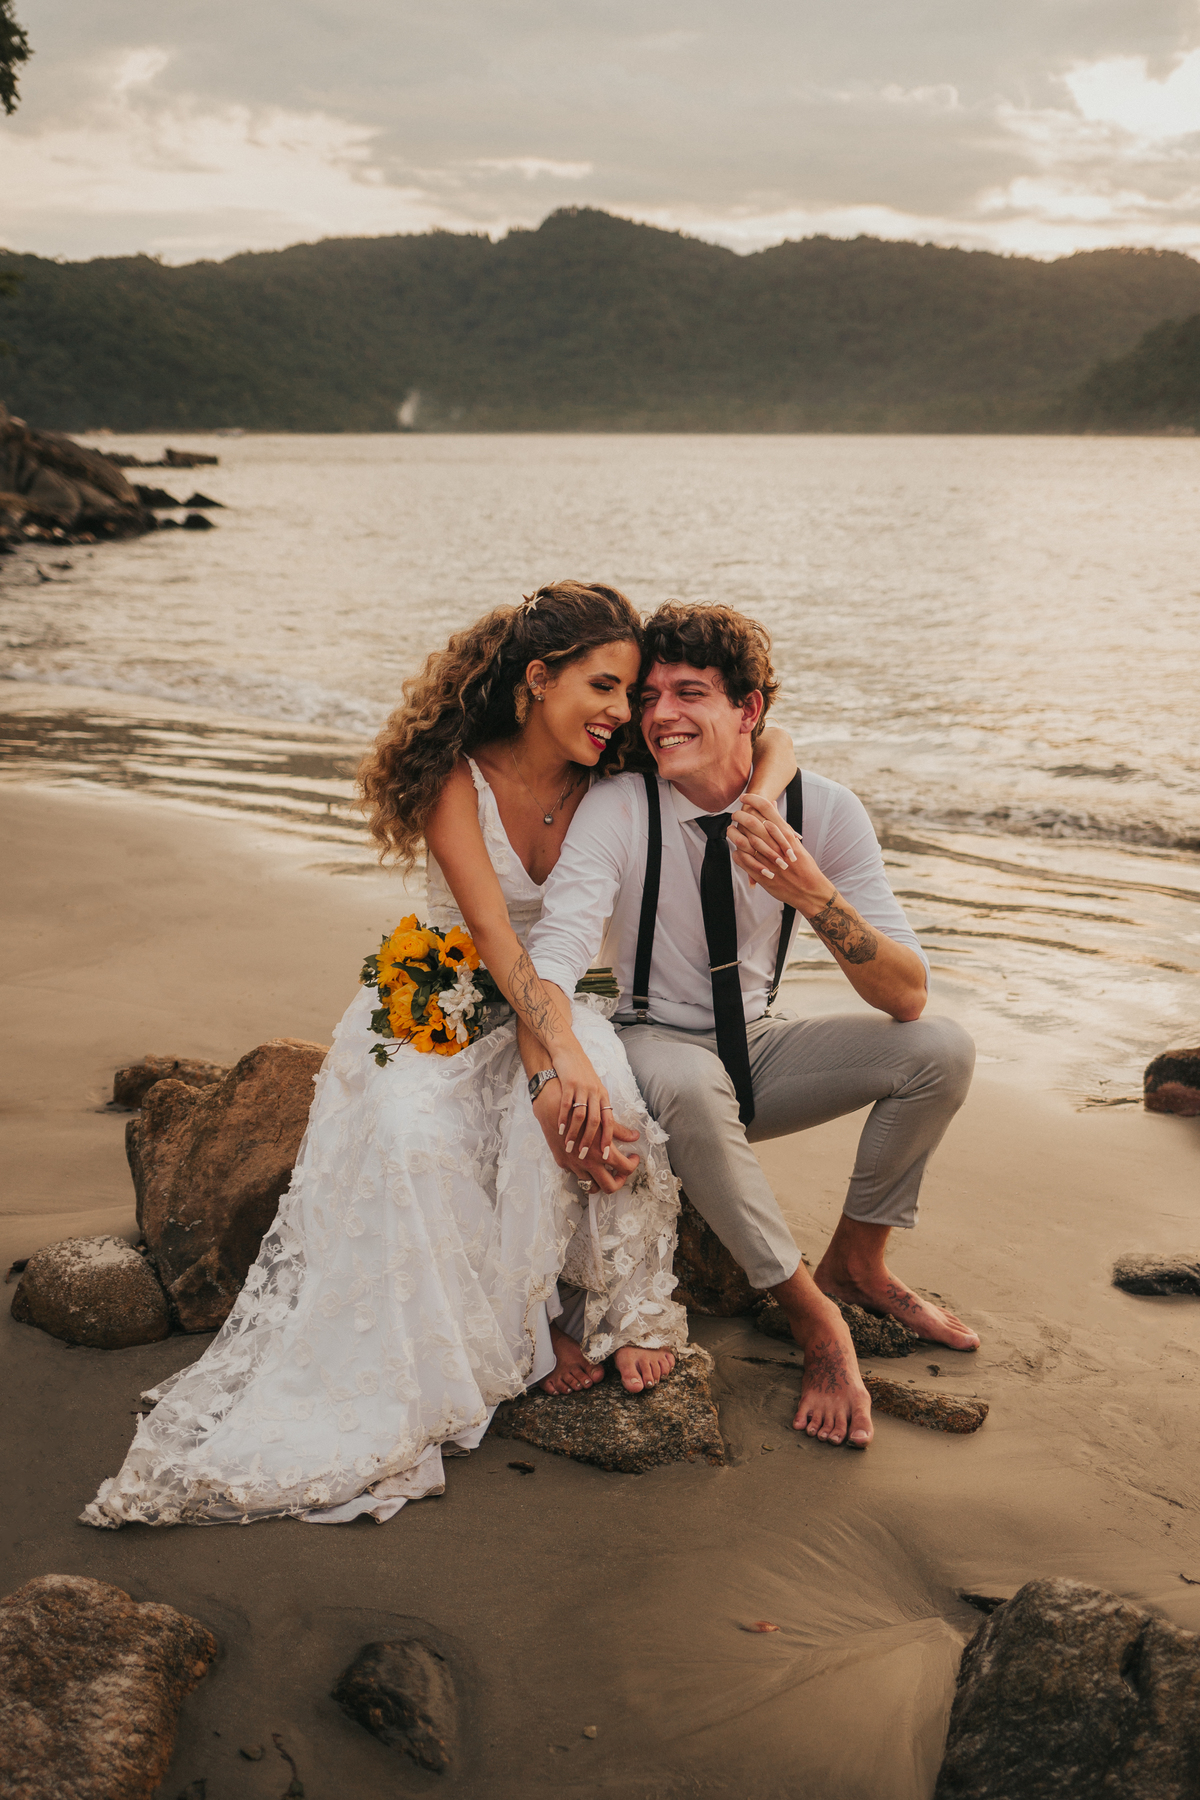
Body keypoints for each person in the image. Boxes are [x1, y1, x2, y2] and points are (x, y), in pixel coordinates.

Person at [82, 583, 799, 1529]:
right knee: (414, 1132)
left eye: (630, 693)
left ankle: (618, 1312)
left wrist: (766, 793)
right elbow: (496, 938)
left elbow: (770, 739)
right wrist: (559, 1062)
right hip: (444, 997)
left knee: (609, 1111)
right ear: (537, 680)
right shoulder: (455, 779)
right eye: (603, 687)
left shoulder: (616, 770)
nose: (623, 712)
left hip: (564, 996)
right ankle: (526, 1332)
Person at [520, 602, 979, 1453]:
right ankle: (812, 1316)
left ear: (749, 710)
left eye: (689, 693)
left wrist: (812, 891)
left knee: (941, 1051)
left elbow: (908, 996)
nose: (660, 715)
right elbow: (557, 950)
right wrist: (556, 1063)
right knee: (694, 1083)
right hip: (650, 1046)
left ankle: (858, 1263)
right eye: (649, 697)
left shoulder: (823, 810)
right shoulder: (622, 806)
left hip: (757, 1047)